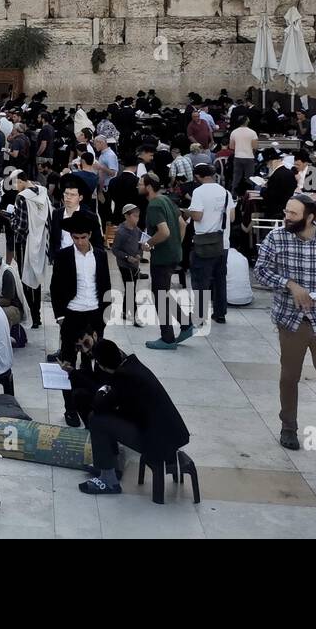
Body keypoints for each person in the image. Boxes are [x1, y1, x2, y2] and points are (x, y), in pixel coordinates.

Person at [252, 194, 316, 471]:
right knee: (289, 376)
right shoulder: (276, 239)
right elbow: (261, 270)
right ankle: (288, 426)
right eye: (286, 212)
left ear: (309, 217)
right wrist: (290, 285)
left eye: (293, 214)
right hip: (291, 320)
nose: (287, 218)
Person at [78, 339, 191, 496]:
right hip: (168, 433)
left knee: (97, 420)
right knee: (106, 417)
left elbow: (100, 405)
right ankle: (108, 464)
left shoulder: (124, 378)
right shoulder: (132, 365)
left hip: (157, 440)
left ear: (102, 365)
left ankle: (109, 480)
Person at [49, 212, 112, 365]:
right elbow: (55, 287)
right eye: (75, 238)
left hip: (94, 313)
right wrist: (60, 317)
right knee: (67, 358)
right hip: (71, 313)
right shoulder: (63, 256)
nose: (80, 242)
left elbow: (106, 286)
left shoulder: (100, 255)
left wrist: (105, 314)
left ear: (89, 235)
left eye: (83, 237)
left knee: (92, 360)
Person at [142, 173, 189, 350]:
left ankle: (167, 338)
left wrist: (148, 243)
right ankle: (186, 324)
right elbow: (183, 225)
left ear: (147, 187)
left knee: (160, 296)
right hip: (174, 254)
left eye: (140, 183)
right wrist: (176, 245)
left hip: (161, 257)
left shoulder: (154, 205)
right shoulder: (167, 200)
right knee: (165, 293)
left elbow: (164, 232)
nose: (138, 186)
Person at [187, 163, 235, 326]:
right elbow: (232, 217)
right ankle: (220, 313)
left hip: (205, 243)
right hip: (223, 243)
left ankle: (199, 315)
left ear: (198, 177)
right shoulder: (225, 192)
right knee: (220, 279)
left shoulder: (198, 192)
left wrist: (188, 212)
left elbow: (198, 216)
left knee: (201, 280)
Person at [13, 169, 51, 327]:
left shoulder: (22, 197)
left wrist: (10, 219)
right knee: (36, 276)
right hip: (41, 240)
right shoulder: (43, 191)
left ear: (21, 181)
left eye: (15, 183)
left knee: (26, 277)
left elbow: (20, 226)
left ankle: (34, 316)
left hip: (25, 243)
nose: (15, 187)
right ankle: (38, 315)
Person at [110, 203, 144, 326]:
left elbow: (140, 244)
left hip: (135, 265)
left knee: (131, 288)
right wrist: (127, 257)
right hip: (125, 265)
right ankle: (135, 316)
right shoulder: (121, 232)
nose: (137, 219)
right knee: (131, 289)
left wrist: (139, 254)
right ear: (127, 216)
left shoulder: (137, 230)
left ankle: (124, 311)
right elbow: (115, 249)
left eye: (138, 216)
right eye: (135, 216)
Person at [229, 114, 259, 196]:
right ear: (246, 121)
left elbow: (231, 146)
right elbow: (255, 146)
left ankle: (234, 195)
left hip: (238, 156)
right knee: (249, 178)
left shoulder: (234, 132)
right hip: (249, 157)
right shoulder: (252, 133)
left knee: (236, 177)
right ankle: (248, 195)